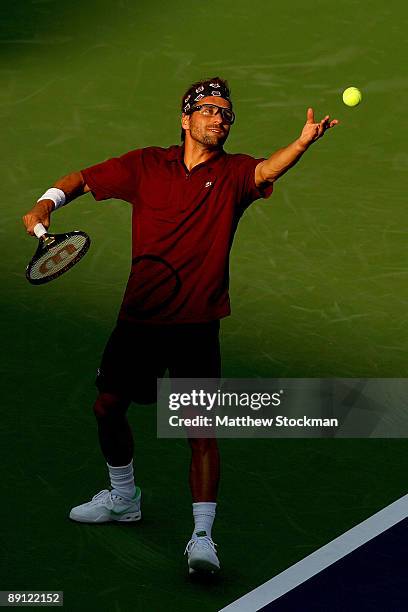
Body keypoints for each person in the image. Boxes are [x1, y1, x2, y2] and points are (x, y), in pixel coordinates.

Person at [22, 77, 338, 575]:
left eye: (227, 114)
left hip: (196, 326)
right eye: (209, 110)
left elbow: (265, 169)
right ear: (185, 118)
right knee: (107, 407)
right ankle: (125, 498)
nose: (219, 118)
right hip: (140, 319)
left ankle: (202, 539)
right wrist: (47, 203)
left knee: (200, 432)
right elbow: (82, 178)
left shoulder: (234, 174)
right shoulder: (146, 165)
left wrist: (300, 144)